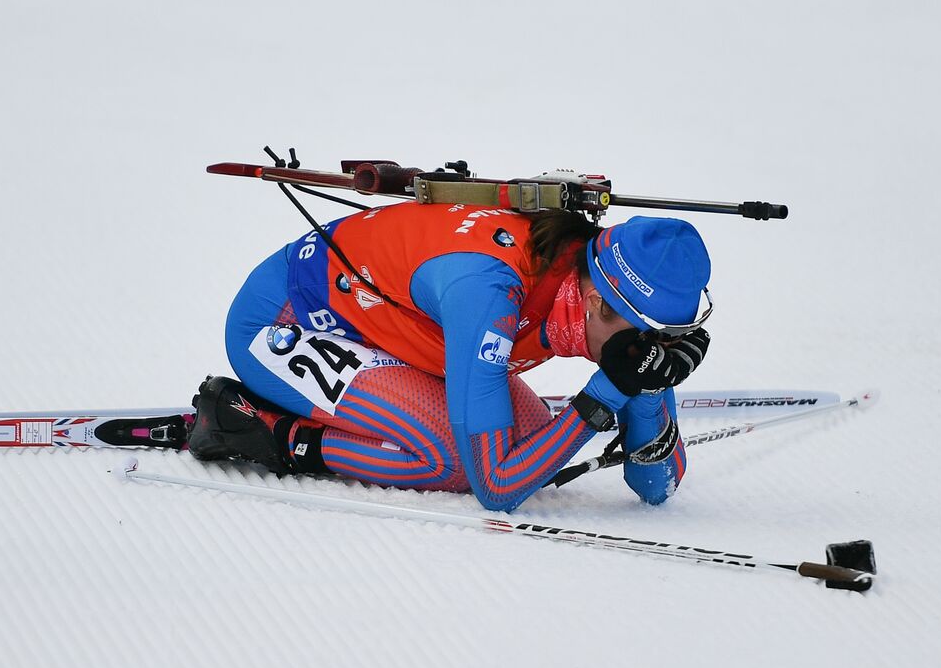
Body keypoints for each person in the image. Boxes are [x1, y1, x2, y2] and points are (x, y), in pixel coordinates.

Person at [187, 201, 713, 512]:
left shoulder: (591, 290)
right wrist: (607, 392)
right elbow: (497, 487)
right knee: (452, 459)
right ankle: (272, 431)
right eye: (649, 337)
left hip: (388, 326)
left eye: (668, 338)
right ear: (596, 300)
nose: (655, 349)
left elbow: (656, 487)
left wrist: (645, 387)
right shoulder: (489, 293)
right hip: (284, 322)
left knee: (536, 444)